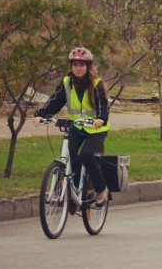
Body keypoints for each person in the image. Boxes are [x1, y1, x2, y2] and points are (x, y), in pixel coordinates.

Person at [34, 47, 111, 206]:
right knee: (73, 156)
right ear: (71, 66)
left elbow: (103, 106)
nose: (78, 68)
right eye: (75, 64)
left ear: (88, 67)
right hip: (76, 127)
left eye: (82, 65)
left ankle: (101, 189)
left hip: (95, 129)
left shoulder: (97, 84)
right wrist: (41, 114)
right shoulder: (66, 83)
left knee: (87, 155)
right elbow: (55, 102)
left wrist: (101, 119)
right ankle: (75, 191)